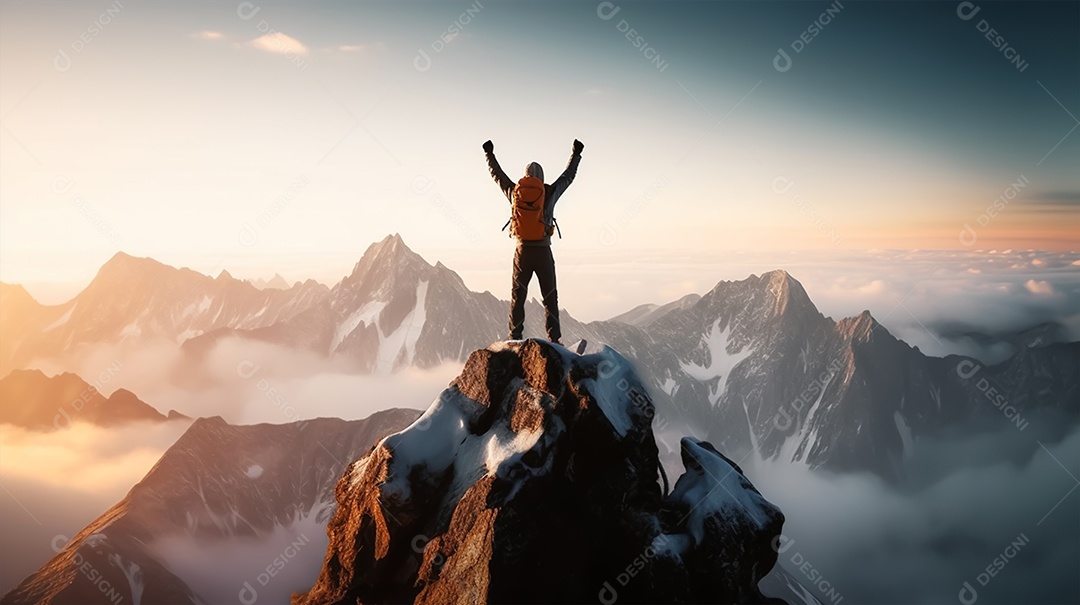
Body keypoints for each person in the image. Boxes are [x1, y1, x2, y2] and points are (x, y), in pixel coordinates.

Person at [483, 139, 583, 344]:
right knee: (550, 296)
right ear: (542, 177)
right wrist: (575, 154)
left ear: (525, 176)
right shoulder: (548, 193)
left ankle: (514, 337)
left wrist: (489, 155)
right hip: (543, 252)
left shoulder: (514, 192)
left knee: (518, 295)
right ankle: (554, 338)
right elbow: (568, 177)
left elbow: (497, 176)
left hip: (522, 252)